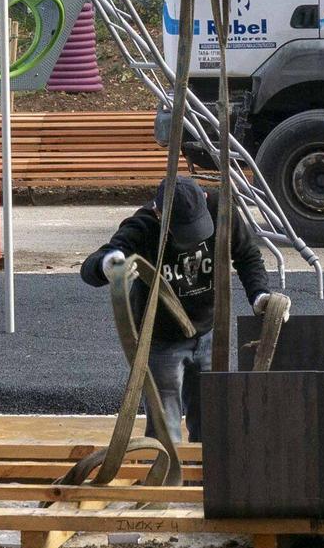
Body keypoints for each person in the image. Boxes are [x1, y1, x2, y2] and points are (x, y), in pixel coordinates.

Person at [80, 177, 288, 442]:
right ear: (159, 213)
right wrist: (107, 266)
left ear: (203, 197)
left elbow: (246, 255)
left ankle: (205, 478)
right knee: (165, 430)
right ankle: (169, 478)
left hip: (209, 334)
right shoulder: (143, 224)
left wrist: (259, 295)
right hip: (161, 341)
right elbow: (92, 266)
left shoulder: (220, 208)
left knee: (213, 422)